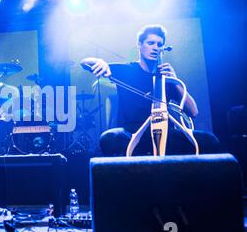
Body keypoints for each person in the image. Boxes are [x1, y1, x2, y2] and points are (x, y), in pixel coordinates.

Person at [81, 25, 220, 156]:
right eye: (150, 43)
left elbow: (193, 111)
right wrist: (99, 61)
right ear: (139, 45)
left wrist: (175, 81)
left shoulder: (165, 77)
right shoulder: (126, 70)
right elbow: (85, 62)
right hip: (133, 132)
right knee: (109, 139)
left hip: (165, 131)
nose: (155, 48)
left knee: (208, 140)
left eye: (159, 45)